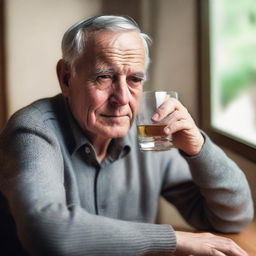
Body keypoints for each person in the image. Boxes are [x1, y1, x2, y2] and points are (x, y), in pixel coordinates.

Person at [0, 15, 254, 256]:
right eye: (104, 77)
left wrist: (199, 148)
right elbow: (46, 232)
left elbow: (233, 217)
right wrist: (174, 240)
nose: (122, 99)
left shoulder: (148, 130)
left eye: (134, 79)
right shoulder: (33, 130)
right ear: (67, 78)